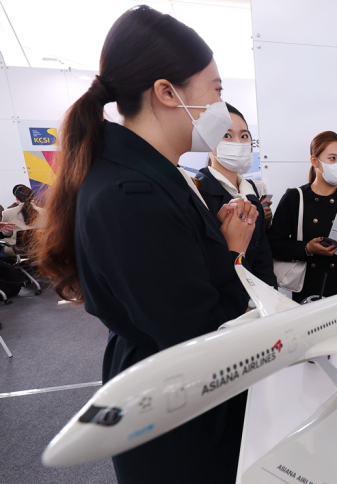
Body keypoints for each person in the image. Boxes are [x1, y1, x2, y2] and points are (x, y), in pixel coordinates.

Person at [31, 6, 257, 483]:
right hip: (179, 416)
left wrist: (214, 243)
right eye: (216, 90)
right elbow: (199, 334)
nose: (222, 104)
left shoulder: (149, 176)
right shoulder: (129, 194)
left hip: (182, 400)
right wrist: (232, 252)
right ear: (166, 92)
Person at [268, 131, 337, 303]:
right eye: (332, 158)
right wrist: (307, 248)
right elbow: (274, 245)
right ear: (315, 161)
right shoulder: (295, 197)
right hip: (309, 288)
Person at [195, 103, 276, 287]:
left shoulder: (252, 193)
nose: (238, 143)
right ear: (208, 141)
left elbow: (263, 257)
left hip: (260, 301)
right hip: (226, 301)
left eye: (244, 135)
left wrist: (271, 296)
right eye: (227, 135)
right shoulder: (199, 192)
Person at [1, 185, 44, 256]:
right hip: (40, 249)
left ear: (16, 198)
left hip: (18, 252)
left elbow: (6, 233)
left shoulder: (7, 213)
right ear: (32, 197)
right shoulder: (45, 212)